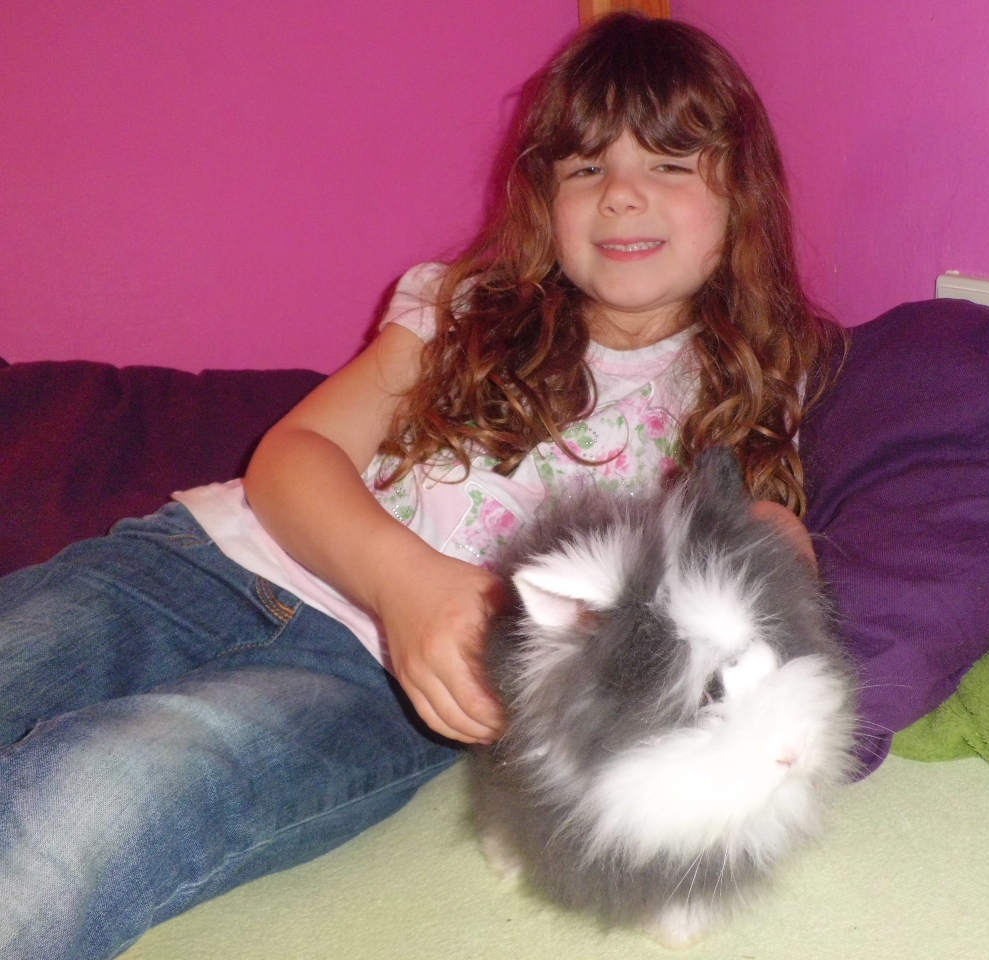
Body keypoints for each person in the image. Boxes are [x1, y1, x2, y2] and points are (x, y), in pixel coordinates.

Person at [0, 12, 839, 960]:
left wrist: (778, 566)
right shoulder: (462, 307)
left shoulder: (749, 384)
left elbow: (764, 557)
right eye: (584, 168)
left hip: (370, 686)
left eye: (671, 163)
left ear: (742, 196)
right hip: (201, 561)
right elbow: (291, 455)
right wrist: (407, 583)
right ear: (543, 196)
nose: (620, 194)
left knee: (88, 799)